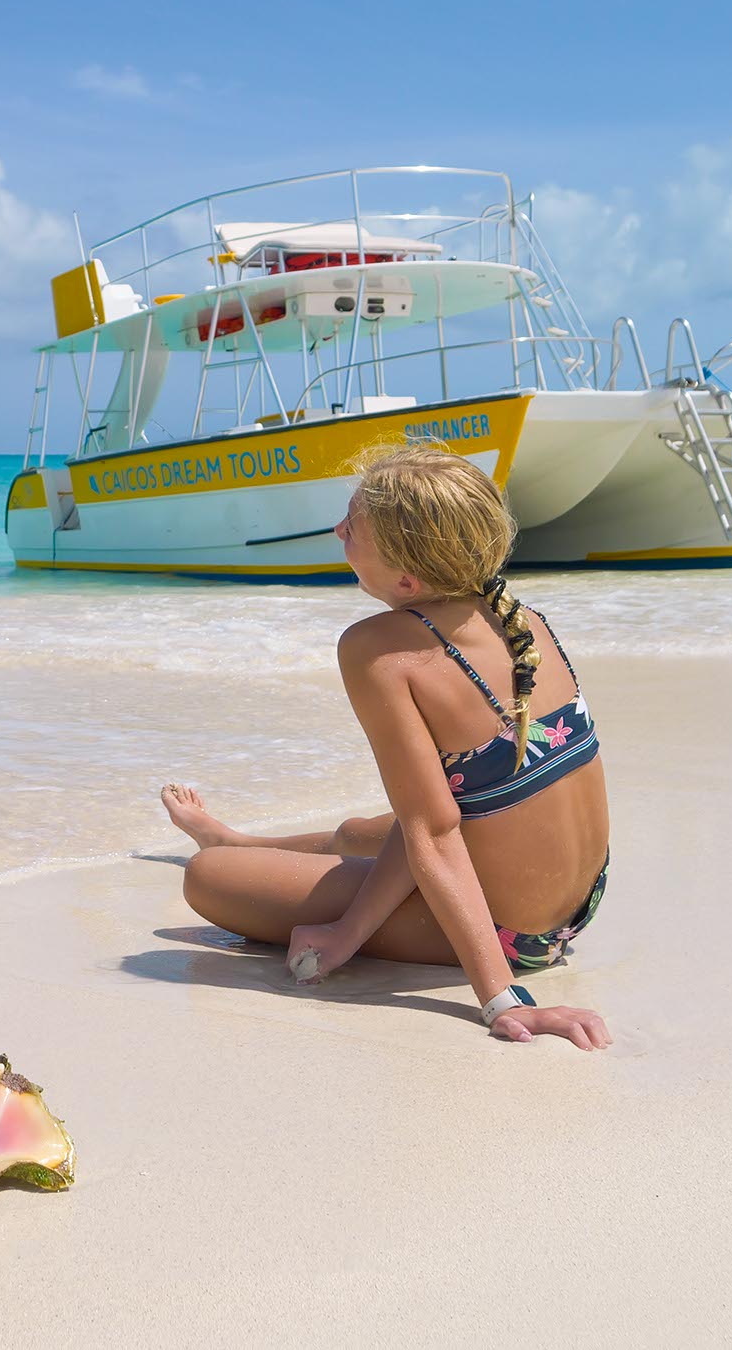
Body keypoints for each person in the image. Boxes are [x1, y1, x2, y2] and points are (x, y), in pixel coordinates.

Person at [161, 445, 612, 1048]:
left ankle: (223, 852)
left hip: (510, 935)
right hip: (573, 906)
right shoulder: (522, 619)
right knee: (354, 831)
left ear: (407, 580)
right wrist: (351, 922)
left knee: (208, 878)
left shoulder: (381, 650)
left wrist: (502, 998)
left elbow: (437, 830)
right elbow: (449, 809)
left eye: (352, 529)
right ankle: (237, 839)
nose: (337, 531)